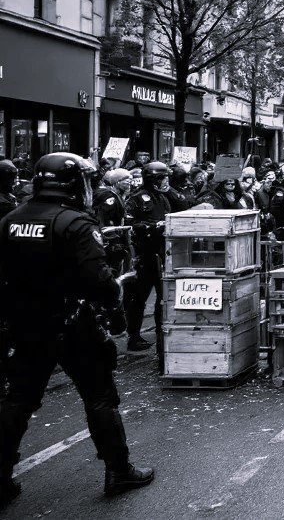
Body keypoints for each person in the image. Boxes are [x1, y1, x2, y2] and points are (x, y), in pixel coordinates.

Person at [0, 153, 153, 505]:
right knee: (100, 396)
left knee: (18, 399)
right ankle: (119, 470)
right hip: (72, 323)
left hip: (25, 325)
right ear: (73, 184)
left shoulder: (11, 220)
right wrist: (115, 292)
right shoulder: (74, 223)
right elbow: (98, 281)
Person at [123, 162, 173, 355]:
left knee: (162, 297)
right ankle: (133, 336)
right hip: (143, 254)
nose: (166, 182)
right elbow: (129, 225)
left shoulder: (163, 198)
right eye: (163, 178)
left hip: (161, 254)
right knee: (138, 298)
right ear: (154, 180)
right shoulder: (136, 198)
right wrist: (151, 226)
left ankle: (161, 334)